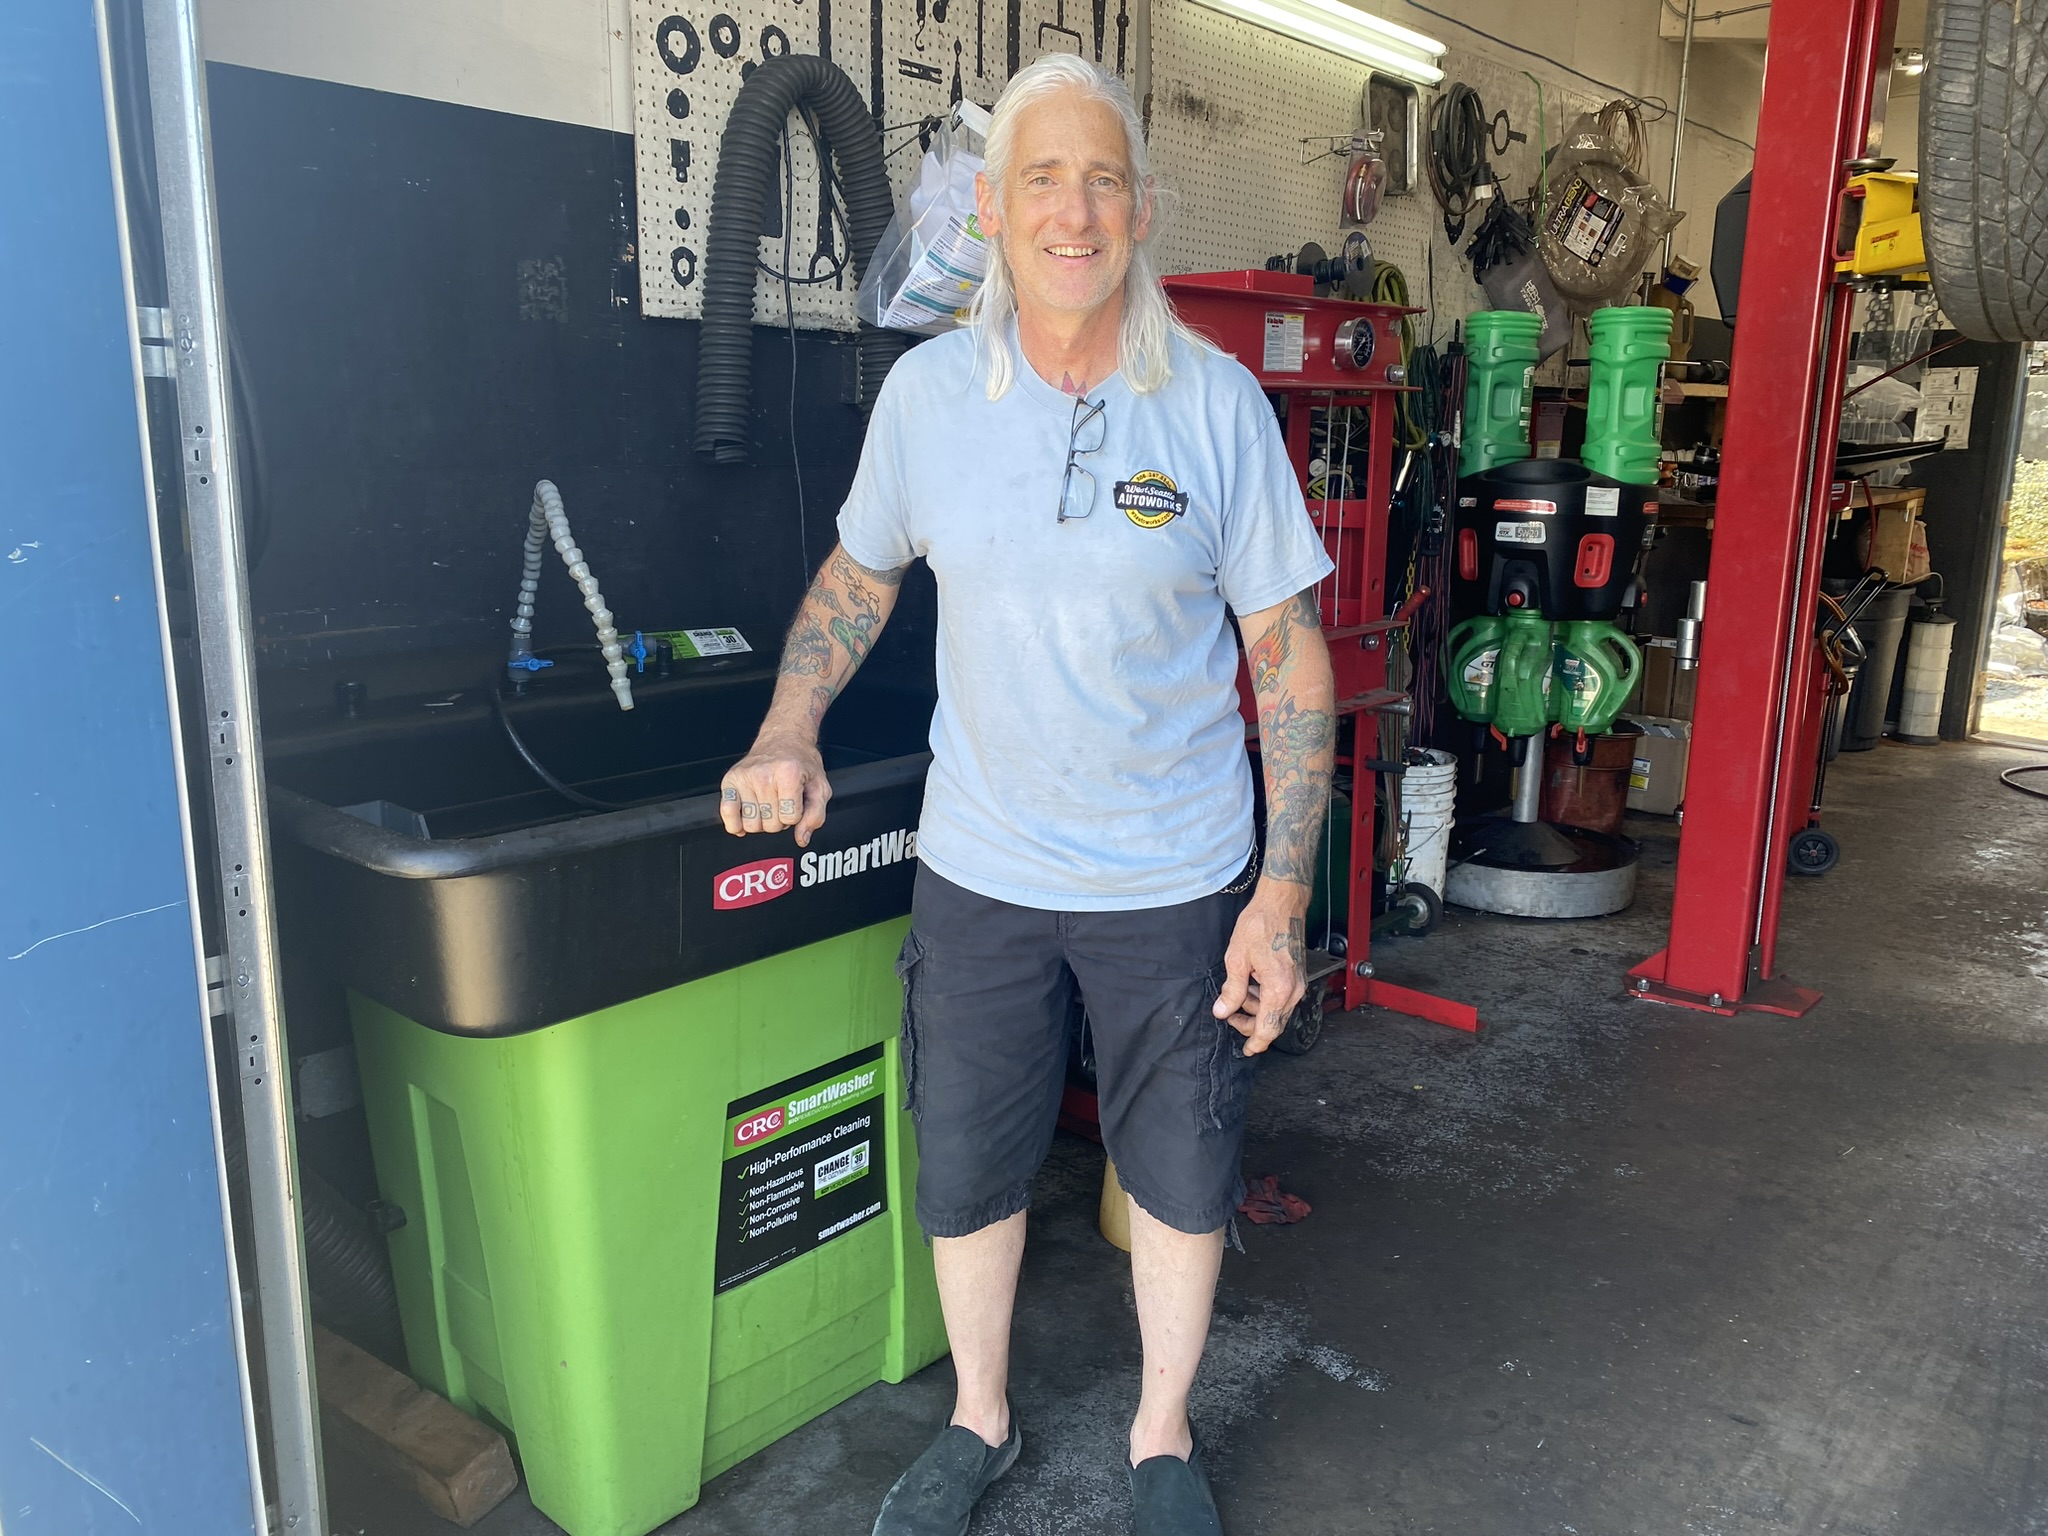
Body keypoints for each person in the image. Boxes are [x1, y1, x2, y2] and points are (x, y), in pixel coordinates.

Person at [719, 53, 1335, 1536]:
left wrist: (1285, 891)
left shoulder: (1216, 406)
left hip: (1174, 877)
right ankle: (979, 1420)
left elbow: (1287, 654)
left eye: (1104, 178)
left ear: (1140, 210)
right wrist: (789, 720)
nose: (1076, 210)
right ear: (990, 209)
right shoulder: (932, 398)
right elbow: (860, 577)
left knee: (1183, 1169)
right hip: (985, 868)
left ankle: (1162, 1437)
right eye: (1044, 179)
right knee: (974, 1158)